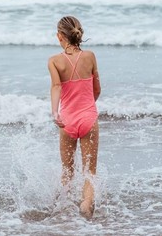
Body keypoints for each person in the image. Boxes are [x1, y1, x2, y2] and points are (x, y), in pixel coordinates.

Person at [47, 16, 101, 219]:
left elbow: (56, 87)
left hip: (66, 121)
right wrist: (88, 107)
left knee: (67, 172)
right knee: (90, 172)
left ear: (60, 36)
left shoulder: (54, 61)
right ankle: (86, 207)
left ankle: (63, 213)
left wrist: (55, 112)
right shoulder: (90, 56)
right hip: (89, 118)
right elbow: (97, 89)